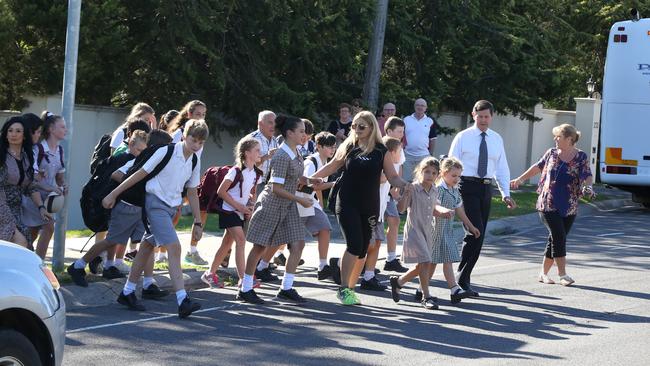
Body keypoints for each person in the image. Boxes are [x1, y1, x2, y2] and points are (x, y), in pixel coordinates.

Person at [102, 120, 208, 318]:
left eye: (201, 143)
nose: (196, 145)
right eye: (194, 140)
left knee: (147, 246)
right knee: (174, 247)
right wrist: (114, 194)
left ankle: (127, 292)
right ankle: (182, 300)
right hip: (154, 204)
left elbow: (192, 192)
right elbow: (139, 174)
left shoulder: (194, 160)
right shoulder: (165, 152)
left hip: (170, 207)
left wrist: (197, 221)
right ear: (184, 135)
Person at [312, 111, 411, 305]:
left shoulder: (381, 150)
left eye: (361, 127)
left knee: (363, 249)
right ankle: (344, 289)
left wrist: (407, 185)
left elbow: (392, 177)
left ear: (372, 127)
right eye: (354, 126)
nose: (356, 130)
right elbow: (332, 166)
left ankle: (349, 285)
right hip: (347, 202)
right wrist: (310, 178)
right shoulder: (350, 146)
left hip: (370, 205)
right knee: (355, 244)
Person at [238, 116, 316, 304]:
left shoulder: (296, 152)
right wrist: (300, 199)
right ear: (289, 133)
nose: (304, 135)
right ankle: (245, 288)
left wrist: (311, 181)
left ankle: (286, 288)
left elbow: (296, 177)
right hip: (272, 204)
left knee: (298, 244)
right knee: (260, 247)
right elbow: (275, 188)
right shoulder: (281, 156)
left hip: (287, 206)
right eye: (300, 131)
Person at [66, 130, 159, 286]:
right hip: (121, 206)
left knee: (141, 241)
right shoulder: (128, 160)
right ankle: (78, 265)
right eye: (139, 150)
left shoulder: (139, 160)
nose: (141, 153)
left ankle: (137, 277)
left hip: (136, 208)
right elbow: (116, 175)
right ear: (131, 144)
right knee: (112, 240)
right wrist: (133, 183)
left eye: (144, 151)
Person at [510, 123, 594, 286]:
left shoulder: (581, 156)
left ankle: (543, 273)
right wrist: (520, 179)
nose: (555, 139)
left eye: (558, 136)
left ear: (569, 139)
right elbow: (537, 167)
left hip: (569, 204)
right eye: (555, 136)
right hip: (548, 201)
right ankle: (562, 274)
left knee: (555, 239)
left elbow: (587, 175)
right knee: (559, 236)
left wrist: (588, 187)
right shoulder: (551, 153)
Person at [448, 100, 517, 297]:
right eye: (480, 116)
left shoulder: (496, 139)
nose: (484, 120)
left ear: (492, 117)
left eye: (487, 116)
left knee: (479, 236)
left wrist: (506, 194)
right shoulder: (463, 137)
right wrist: (450, 189)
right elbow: (450, 165)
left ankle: (463, 278)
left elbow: (502, 168)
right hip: (466, 187)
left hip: (486, 189)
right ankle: (461, 279)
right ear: (473, 115)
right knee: (474, 232)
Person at [389, 157, 453, 309]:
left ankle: (398, 282)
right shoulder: (413, 188)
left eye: (433, 172)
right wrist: (405, 194)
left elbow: (434, 209)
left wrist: (445, 212)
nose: (429, 175)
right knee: (425, 262)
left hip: (426, 230)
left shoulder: (435, 190)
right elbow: (401, 209)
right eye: (426, 172)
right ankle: (426, 296)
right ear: (420, 172)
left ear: (437, 175)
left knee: (422, 265)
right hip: (414, 230)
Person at [200, 137, 263, 289]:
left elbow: (251, 192)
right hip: (228, 210)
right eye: (257, 150)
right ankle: (244, 279)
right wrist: (238, 207)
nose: (260, 153)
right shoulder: (235, 171)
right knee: (241, 241)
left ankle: (209, 273)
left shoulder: (256, 173)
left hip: (239, 212)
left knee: (227, 243)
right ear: (247, 153)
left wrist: (250, 207)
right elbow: (221, 191)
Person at [428, 157, 480, 304]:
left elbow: (460, 210)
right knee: (431, 263)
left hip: (447, 231)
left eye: (459, 176)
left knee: (447, 259)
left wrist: (471, 226)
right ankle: (420, 288)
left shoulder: (455, 191)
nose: (457, 179)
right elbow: (434, 207)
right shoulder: (438, 189)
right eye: (453, 176)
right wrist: (443, 210)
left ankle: (453, 290)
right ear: (443, 173)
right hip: (435, 230)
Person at [167, 100, 208, 265]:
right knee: (173, 215)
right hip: (175, 180)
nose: (202, 117)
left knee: (194, 212)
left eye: (204, 114)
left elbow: (195, 158)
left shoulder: (200, 135)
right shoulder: (180, 134)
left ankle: (191, 251)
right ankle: (161, 253)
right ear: (189, 114)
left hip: (189, 177)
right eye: (198, 114)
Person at [359, 136, 403, 291]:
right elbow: (382, 179)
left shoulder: (392, 168)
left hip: (378, 212)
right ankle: (339, 265)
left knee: (376, 243)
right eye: (399, 151)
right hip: (368, 211)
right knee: (366, 244)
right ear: (390, 153)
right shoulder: (380, 168)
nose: (401, 154)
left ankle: (369, 277)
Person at [22, 112, 68, 259]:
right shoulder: (38, 149)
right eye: (62, 126)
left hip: (48, 200)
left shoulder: (60, 150)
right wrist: (50, 187)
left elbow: (59, 176)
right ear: (51, 129)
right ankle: (36, 262)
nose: (66, 130)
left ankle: (32, 260)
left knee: (37, 232)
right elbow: (32, 176)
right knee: (43, 229)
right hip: (32, 198)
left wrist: (63, 185)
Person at [0, 116, 51, 247]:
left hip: (16, 210)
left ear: (24, 136)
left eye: (18, 131)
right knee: (20, 243)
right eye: (10, 130)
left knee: (19, 247)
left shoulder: (26, 157)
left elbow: (30, 186)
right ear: (5, 134)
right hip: (2, 207)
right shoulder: (2, 157)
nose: (13, 134)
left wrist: (41, 207)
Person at [301, 131, 336, 281]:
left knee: (325, 228)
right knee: (286, 239)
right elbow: (308, 184)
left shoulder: (325, 163)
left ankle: (322, 266)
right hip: (297, 201)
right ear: (318, 146)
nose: (332, 150)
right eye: (329, 147)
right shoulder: (311, 162)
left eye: (334, 147)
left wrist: (320, 202)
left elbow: (317, 186)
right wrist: (335, 184)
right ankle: (262, 266)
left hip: (310, 201)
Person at [382, 117, 408, 272]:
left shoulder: (399, 147)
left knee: (394, 220)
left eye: (403, 131)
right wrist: (393, 190)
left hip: (390, 190)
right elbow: (385, 172)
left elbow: (399, 168)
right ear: (389, 131)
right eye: (399, 131)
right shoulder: (383, 147)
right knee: (374, 228)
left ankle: (391, 258)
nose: (401, 134)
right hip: (381, 191)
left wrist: (398, 189)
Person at [403, 98, 437, 182]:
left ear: (426, 108)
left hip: (423, 157)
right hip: (407, 156)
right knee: (405, 182)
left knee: (421, 182)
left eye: (422, 105)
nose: (420, 107)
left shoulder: (430, 121)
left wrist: (430, 154)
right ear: (414, 106)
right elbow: (401, 136)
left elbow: (432, 139)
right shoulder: (406, 120)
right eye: (418, 105)